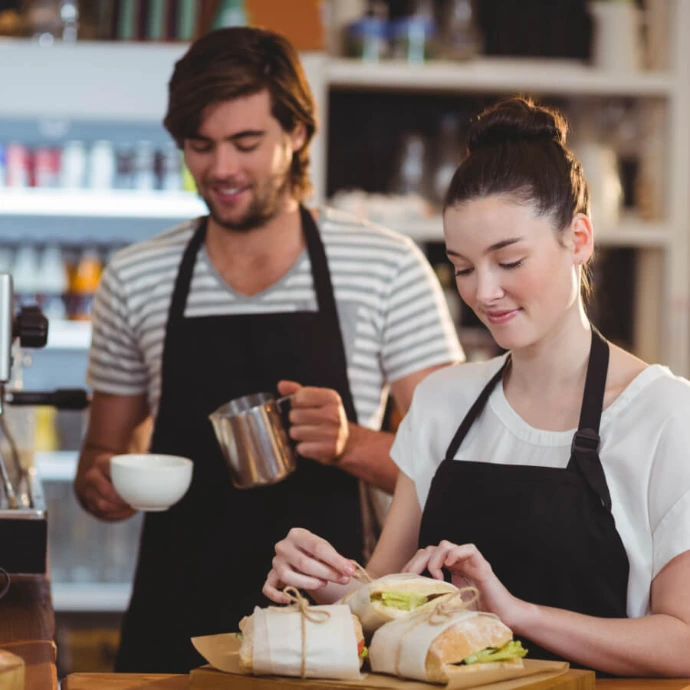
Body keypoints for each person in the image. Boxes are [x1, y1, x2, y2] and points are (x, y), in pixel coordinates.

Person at [73, 27, 462, 673]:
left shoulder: (384, 266)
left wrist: (348, 445)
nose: (220, 169)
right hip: (175, 626)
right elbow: (100, 457)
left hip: (334, 627)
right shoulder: (136, 277)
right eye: (200, 146)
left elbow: (457, 469)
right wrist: (101, 487)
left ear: (298, 133)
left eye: (245, 143)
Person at [263, 97, 690, 677]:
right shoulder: (444, 403)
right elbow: (380, 601)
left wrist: (518, 615)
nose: (484, 292)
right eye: (463, 268)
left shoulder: (666, 416)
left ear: (580, 239)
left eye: (508, 260)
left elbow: (683, 639)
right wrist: (323, 581)